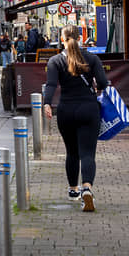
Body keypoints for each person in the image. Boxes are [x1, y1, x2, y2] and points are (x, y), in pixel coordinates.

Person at [42, 25, 108, 212]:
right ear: (79, 38)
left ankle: (73, 190)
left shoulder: (55, 61)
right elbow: (103, 82)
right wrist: (97, 85)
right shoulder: (92, 58)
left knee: (72, 152)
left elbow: (51, 84)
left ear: (62, 39)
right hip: (88, 109)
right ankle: (87, 188)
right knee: (87, 153)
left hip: (66, 111)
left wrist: (47, 104)